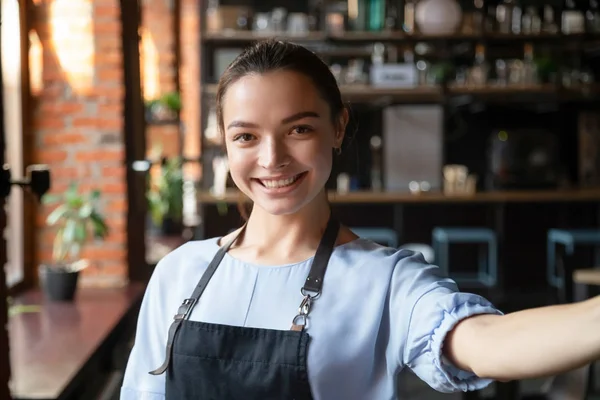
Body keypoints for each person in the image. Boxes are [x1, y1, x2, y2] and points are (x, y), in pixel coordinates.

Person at [121, 39, 600, 400]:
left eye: (299, 129)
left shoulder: (385, 281)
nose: (272, 158)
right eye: (246, 137)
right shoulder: (180, 272)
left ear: (339, 127)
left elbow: (485, 342)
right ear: (224, 143)